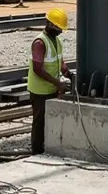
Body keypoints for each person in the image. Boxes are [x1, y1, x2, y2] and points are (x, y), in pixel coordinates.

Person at [27, 8, 74, 155]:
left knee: (50, 121)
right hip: (39, 91)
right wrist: (58, 83)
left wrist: (69, 74)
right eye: (59, 28)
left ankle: (47, 148)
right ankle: (37, 151)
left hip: (51, 89)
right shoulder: (40, 43)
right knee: (39, 123)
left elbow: (59, 61)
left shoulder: (56, 41)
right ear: (51, 25)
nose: (60, 31)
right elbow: (37, 69)